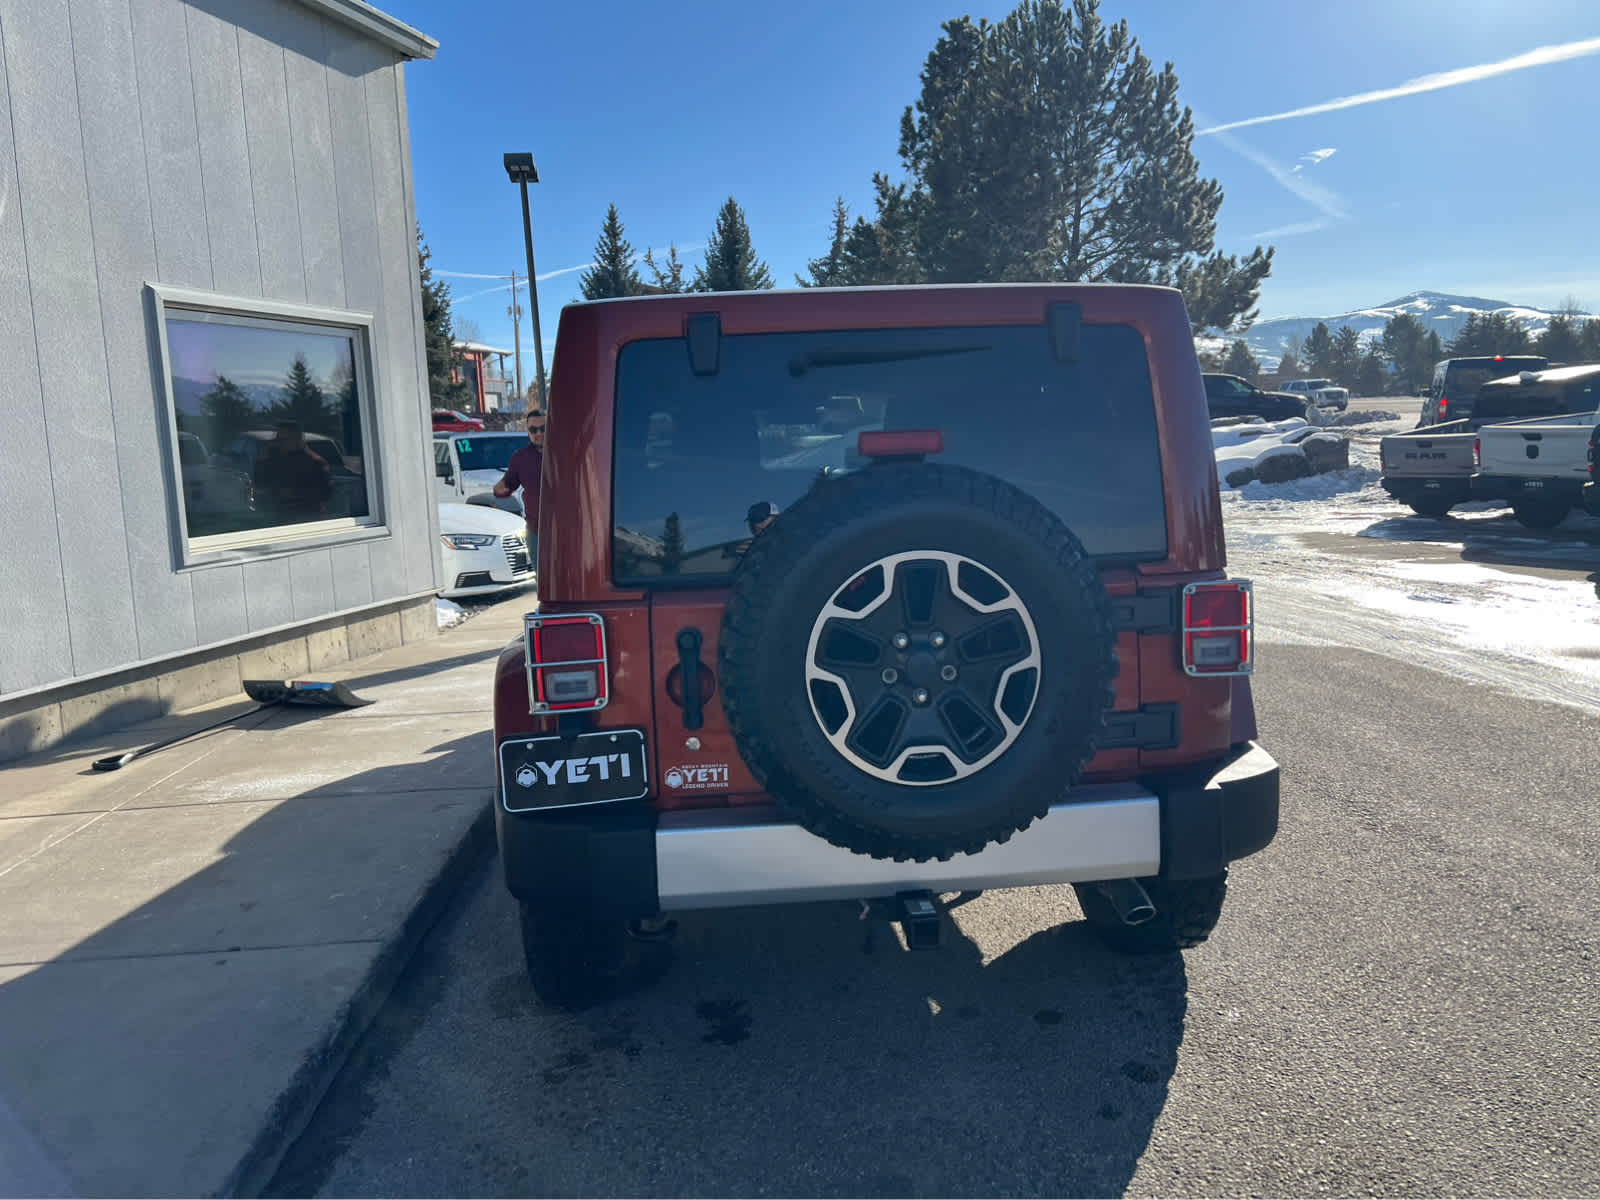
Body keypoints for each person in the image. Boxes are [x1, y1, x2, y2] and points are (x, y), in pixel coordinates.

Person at [254, 420, 331, 522]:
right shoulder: (276, 459)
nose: (279, 444)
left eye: (283, 440)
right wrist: (262, 459)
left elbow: (325, 493)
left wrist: (294, 492)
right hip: (279, 514)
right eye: (277, 439)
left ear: (297, 439)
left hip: (307, 517)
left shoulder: (314, 462)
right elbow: (260, 482)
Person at [494, 409, 545, 552]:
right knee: (540, 573)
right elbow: (508, 485)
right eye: (533, 430)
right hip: (535, 530)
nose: (539, 433)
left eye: (543, 428)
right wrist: (499, 490)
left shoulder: (566, 454)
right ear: (528, 432)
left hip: (567, 530)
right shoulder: (521, 458)